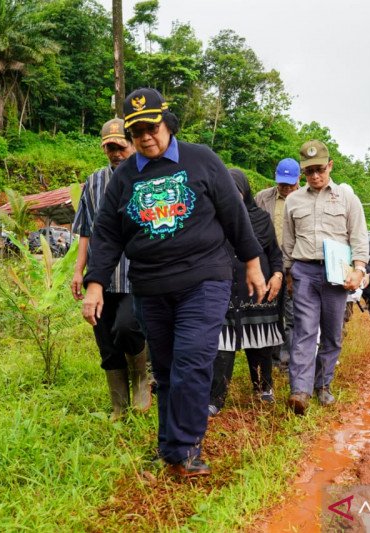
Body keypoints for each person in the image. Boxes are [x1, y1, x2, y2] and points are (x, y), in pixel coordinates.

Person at [81, 88, 266, 477]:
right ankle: (171, 447)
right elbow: (107, 233)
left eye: (152, 127)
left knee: (191, 362)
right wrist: (95, 283)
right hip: (150, 286)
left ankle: (186, 448)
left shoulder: (201, 160)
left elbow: (234, 214)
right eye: (137, 132)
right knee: (164, 370)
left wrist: (252, 263)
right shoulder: (125, 176)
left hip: (204, 280)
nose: (146, 137)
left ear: (168, 123)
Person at [282, 140, 369, 415]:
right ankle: (300, 391)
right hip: (304, 272)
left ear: (330, 165)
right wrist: (287, 274)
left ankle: (322, 385)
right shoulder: (294, 200)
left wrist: (359, 269)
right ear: (302, 174)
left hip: (337, 275)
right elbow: (288, 242)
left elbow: (359, 238)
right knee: (304, 332)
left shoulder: (347, 198)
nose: (316, 176)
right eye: (309, 172)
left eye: (320, 169)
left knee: (332, 334)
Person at [71, 118, 149, 421]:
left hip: (135, 275)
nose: (115, 153)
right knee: (105, 340)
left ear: (131, 144)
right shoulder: (94, 182)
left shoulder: (147, 177)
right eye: (109, 148)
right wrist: (79, 271)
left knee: (127, 326)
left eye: (120, 146)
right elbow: (85, 231)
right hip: (100, 278)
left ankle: (142, 377)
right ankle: (119, 405)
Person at [209, 169, 284, 416]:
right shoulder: (211, 218)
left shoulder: (261, 218)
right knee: (222, 345)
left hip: (259, 292)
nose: (231, 196)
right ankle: (216, 397)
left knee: (261, 342)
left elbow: (274, 253)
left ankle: (263, 389)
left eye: (236, 191)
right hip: (225, 291)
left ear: (245, 191)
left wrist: (277, 275)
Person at [255, 158, 301, 369]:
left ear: (298, 179)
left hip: (295, 267)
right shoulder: (262, 198)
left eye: (290, 184)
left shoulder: (305, 199)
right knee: (270, 314)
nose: (285, 187)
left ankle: (289, 361)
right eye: (282, 183)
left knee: (292, 316)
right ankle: (272, 359)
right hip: (269, 267)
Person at [344, 239, 370, 329]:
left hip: (367, 274)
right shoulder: (342, 240)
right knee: (347, 297)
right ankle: (346, 318)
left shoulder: (366, 243)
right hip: (349, 273)